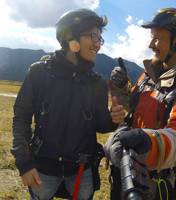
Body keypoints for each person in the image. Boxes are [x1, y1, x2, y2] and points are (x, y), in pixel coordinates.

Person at [11, 8, 125, 200]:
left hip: (82, 169)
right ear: (70, 37)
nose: (98, 45)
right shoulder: (39, 73)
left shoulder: (96, 82)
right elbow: (21, 119)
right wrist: (24, 163)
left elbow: (98, 123)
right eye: (93, 37)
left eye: (100, 39)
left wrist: (112, 120)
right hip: (43, 167)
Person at [104, 7, 176, 200]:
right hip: (129, 170)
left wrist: (147, 144)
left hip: (162, 184)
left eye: (157, 38)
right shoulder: (150, 74)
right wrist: (121, 88)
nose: (151, 45)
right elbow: (133, 106)